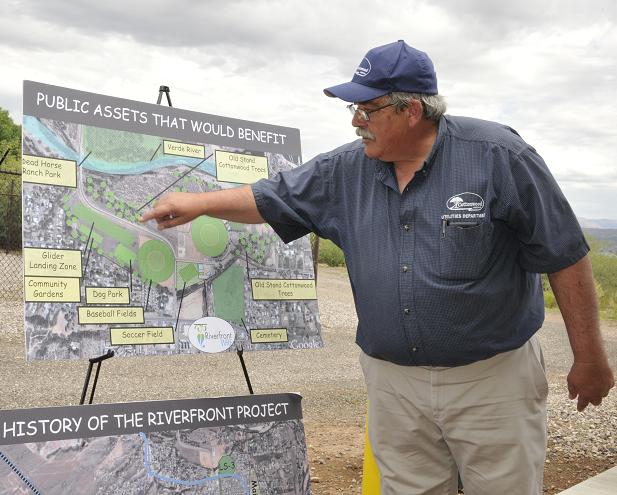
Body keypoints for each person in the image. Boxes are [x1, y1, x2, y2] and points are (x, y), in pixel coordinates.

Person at [141, 40, 614, 494]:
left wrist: (590, 356)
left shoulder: (498, 156)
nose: (355, 122)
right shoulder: (345, 169)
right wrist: (199, 203)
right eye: (353, 110)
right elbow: (271, 197)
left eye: (367, 110)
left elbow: (565, 255)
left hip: (492, 380)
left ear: (411, 111)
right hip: (394, 385)